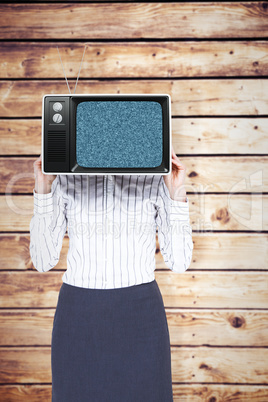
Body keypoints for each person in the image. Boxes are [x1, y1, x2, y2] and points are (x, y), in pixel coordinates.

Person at [29, 146, 193, 402]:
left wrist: (176, 191)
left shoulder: (154, 175)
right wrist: (43, 185)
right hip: (78, 316)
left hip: (141, 314)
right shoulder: (66, 175)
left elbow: (180, 261)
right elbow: (41, 260)